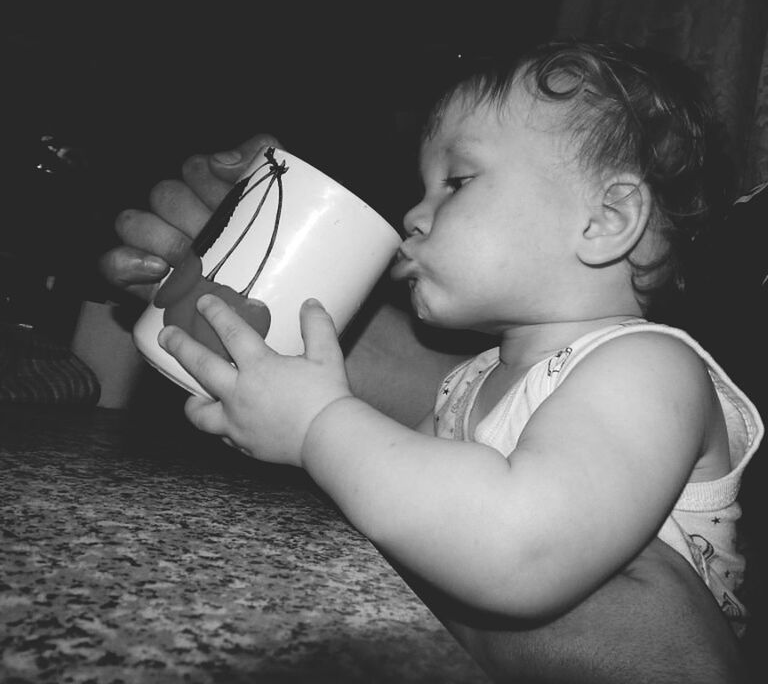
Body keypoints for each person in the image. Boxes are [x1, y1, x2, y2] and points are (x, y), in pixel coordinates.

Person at [101, 41, 762, 683]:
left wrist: (318, 427)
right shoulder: (471, 381)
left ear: (605, 219)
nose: (416, 214)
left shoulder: (650, 368)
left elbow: (520, 551)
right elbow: (389, 514)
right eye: (425, 187)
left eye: (458, 182)